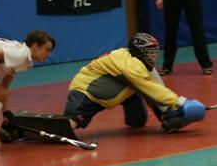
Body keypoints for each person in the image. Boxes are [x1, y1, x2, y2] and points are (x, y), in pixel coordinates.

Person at [62, 32, 206, 134]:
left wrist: (170, 109)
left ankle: (166, 115)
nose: (154, 56)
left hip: (114, 88)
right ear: (139, 52)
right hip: (87, 90)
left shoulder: (138, 63)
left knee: (138, 121)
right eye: (150, 53)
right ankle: (60, 127)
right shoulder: (131, 66)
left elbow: (155, 85)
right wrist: (181, 102)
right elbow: (152, 89)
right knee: (71, 123)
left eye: (154, 52)